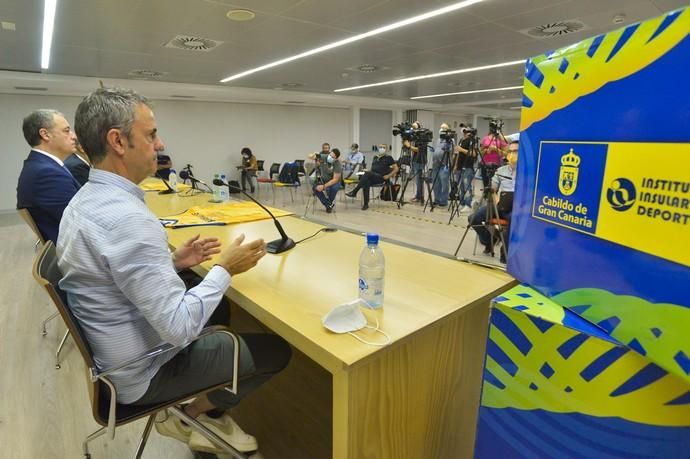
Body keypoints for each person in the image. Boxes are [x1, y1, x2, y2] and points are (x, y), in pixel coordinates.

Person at [58, 87, 291, 454]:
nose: (160, 142)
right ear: (118, 141)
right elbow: (179, 327)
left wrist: (172, 263)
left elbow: (109, 277)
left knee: (219, 308)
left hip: (115, 355)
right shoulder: (128, 220)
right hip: (143, 371)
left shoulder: (83, 202)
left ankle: (205, 398)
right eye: (151, 134)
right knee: (276, 351)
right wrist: (225, 269)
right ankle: (194, 414)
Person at [16, 109, 80, 244]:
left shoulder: (41, 166)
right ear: (45, 134)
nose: (74, 136)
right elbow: (81, 221)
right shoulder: (46, 174)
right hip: (75, 250)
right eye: (66, 130)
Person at [468, 140, 518, 263]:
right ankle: (489, 240)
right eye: (510, 151)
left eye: (515, 151)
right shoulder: (501, 170)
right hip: (500, 205)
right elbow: (493, 189)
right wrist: (497, 200)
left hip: (516, 208)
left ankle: (505, 251)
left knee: (514, 219)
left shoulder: (528, 172)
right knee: (473, 218)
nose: (512, 154)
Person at [345, 144, 398, 210]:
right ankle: (366, 204)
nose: (382, 148)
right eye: (380, 147)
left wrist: (388, 175)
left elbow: (396, 169)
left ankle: (355, 191)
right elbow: (373, 169)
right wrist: (367, 171)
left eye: (383, 147)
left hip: (381, 177)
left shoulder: (389, 157)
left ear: (386, 149)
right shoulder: (375, 157)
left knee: (366, 176)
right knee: (365, 181)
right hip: (373, 176)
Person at [404, 121, 429, 204]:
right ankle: (418, 195)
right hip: (415, 160)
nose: (413, 130)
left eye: (414, 128)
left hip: (420, 160)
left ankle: (420, 197)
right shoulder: (416, 137)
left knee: (419, 180)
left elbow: (418, 150)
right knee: (417, 180)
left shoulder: (422, 138)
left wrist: (409, 146)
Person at [312, 148, 342, 213]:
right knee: (315, 187)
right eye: (330, 155)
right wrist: (314, 155)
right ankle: (328, 204)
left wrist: (323, 186)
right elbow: (311, 156)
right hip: (324, 179)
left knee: (334, 188)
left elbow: (335, 179)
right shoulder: (325, 157)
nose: (330, 157)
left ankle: (328, 205)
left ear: (336, 159)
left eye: (332, 157)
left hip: (334, 182)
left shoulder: (337, 164)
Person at [453, 128, 476, 213]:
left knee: (467, 186)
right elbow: (458, 153)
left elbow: (473, 153)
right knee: (461, 186)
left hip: (467, 167)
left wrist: (462, 149)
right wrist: (455, 165)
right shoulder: (461, 140)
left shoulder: (471, 141)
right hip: (460, 166)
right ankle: (462, 203)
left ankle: (468, 204)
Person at [431, 123, 453, 207]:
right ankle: (436, 199)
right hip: (435, 164)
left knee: (444, 184)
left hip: (444, 165)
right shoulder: (438, 139)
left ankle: (443, 201)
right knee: (436, 183)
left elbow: (451, 152)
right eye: (441, 128)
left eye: (443, 128)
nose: (441, 130)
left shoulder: (450, 140)